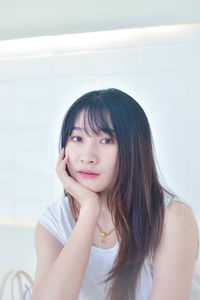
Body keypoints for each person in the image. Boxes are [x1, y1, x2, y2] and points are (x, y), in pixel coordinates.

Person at [32, 88, 199, 300]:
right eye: (77, 138)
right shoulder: (54, 221)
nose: (87, 157)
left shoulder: (171, 219)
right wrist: (89, 209)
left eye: (106, 140)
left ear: (134, 148)